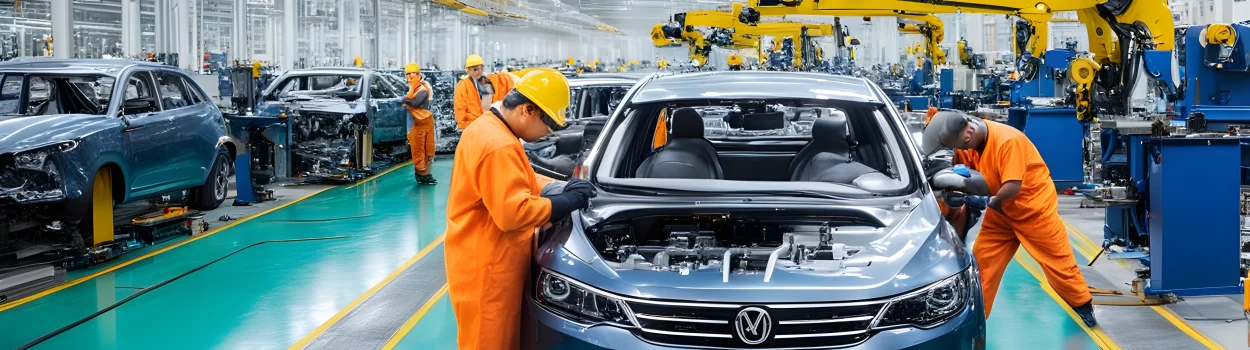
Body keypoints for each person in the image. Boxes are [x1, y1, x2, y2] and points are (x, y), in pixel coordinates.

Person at [444, 68, 596, 350]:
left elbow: (517, 177)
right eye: (548, 126)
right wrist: (563, 203)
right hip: (488, 267)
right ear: (528, 109)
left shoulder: (490, 128)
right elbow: (513, 213)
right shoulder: (498, 144)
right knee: (489, 342)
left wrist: (560, 187)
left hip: (487, 256)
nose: (545, 135)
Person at [922, 111, 1097, 327]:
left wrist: (988, 202)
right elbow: (962, 166)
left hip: (1033, 210)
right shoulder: (973, 137)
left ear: (968, 134)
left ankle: (1083, 305)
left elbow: (1013, 187)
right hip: (1002, 214)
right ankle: (974, 319)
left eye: (963, 146)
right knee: (983, 264)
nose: (964, 151)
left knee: (1058, 264)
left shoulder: (1008, 141)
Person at [454, 54, 516, 129]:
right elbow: (459, 106)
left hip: (488, 122)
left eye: (481, 69)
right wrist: (462, 124)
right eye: (475, 69)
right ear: (468, 71)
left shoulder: (490, 81)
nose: (479, 72)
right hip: (472, 124)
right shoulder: (463, 85)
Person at [403, 62, 436, 185]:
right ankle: (422, 173)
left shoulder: (423, 87)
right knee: (418, 149)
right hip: (417, 123)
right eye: (409, 75)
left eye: (413, 74)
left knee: (427, 149)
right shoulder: (412, 87)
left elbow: (417, 102)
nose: (411, 77)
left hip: (423, 121)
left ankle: (424, 173)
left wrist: (406, 100)